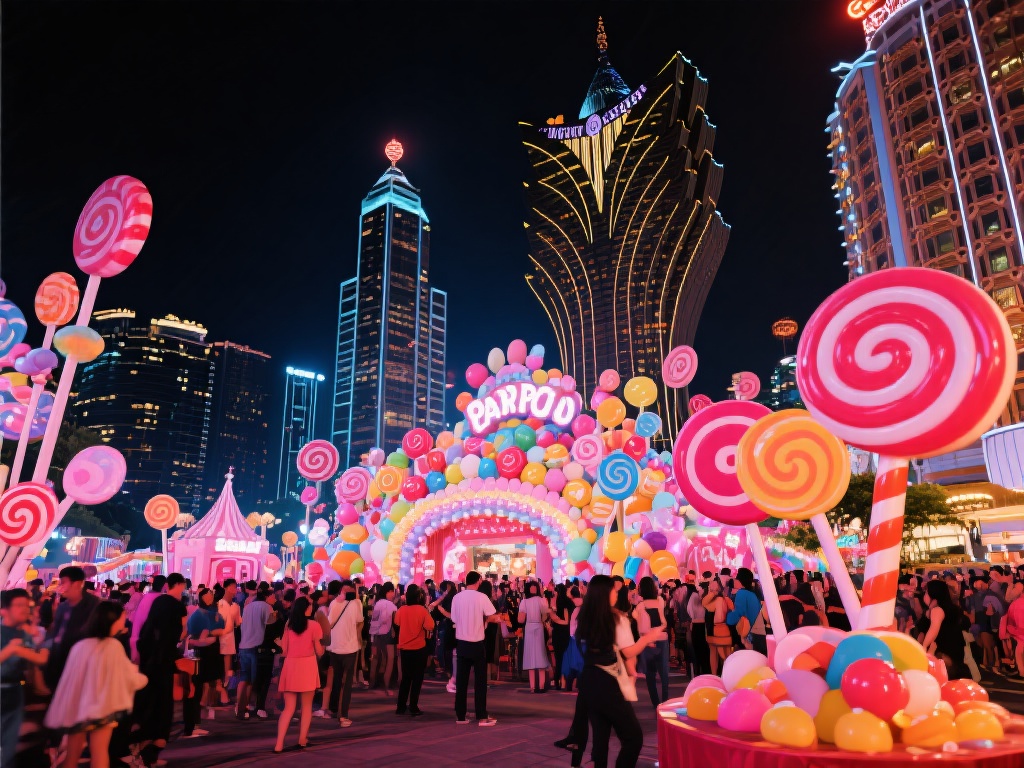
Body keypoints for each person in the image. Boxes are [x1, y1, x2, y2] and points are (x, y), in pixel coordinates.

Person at [574, 575, 668, 768]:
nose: (617, 593)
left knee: (600, 738)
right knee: (633, 737)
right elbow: (629, 651)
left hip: (589, 681)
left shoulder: (585, 617)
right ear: (605, 593)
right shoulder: (616, 617)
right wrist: (648, 637)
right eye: (614, 590)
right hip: (608, 682)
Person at [45, 601, 147, 768]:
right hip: (101, 708)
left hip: (76, 708)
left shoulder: (80, 645)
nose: (124, 621)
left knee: (72, 755)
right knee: (99, 753)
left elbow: (70, 679)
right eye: (122, 618)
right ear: (111, 621)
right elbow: (127, 677)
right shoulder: (112, 646)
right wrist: (143, 678)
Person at [134, 573, 188, 767]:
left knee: (147, 706)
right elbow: (181, 632)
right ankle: (151, 755)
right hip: (164, 664)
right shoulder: (177, 607)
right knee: (163, 709)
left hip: (147, 663)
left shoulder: (155, 603)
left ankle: (142, 753)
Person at [2, 589, 49, 768]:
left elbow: (34, 664)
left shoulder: (23, 634)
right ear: (4, 609)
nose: (25, 610)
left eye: (27, 606)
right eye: (19, 605)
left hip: (16, 691)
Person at [451, 571, 503, 726]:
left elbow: (454, 618)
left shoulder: (457, 597)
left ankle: (460, 715)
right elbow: (491, 614)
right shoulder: (481, 597)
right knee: (480, 682)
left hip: (461, 642)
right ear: (479, 581)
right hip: (477, 642)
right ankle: (481, 715)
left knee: (462, 681)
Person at [273, 596, 322, 752]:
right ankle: (302, 739)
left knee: (288, 708)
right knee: (306, 707)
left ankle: (279, 744)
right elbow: (319, 650)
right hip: (307, 665)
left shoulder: (289, 625)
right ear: (306, 609)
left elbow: (284, 651)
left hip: (291, 666)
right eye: (310, 606)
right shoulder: (314, 625)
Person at [44, 566, 101, 692]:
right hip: (59, 663)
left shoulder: (95, 606)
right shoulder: (63, 607)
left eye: (63, 582)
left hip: (81, 667)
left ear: (78, 584)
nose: (60, 586)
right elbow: (56, 633)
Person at [185, 588, 226, 736]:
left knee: (206, 683)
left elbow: (222, 629)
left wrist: (212, 633)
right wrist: (209, 634)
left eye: (211, 596)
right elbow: (196, 635)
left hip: (211, 650)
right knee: (199, 685)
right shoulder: (198, 614)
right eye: (206, 596)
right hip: (201, 652)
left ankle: (197, 720)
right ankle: (194, 723)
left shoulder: (213, 613)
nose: (209, 598)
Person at [235, 585, 277, 720]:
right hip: (256, 646)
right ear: (267, 597)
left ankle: (240, 707)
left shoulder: (247, 607)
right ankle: (250, 706)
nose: (274, 598)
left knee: (243, 679)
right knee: (254, 681)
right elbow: (271, 625)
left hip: (244, 645)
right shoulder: (267, 607)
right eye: (273, 596)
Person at [393, 583, 435, 716]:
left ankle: (400, 706)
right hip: (419, 647)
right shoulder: (422, 610)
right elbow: (430, 626)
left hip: (405, 648)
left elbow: (396, 625)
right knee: (417, 679)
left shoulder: (401, 610)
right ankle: (413, 706)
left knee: (406, 678)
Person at [326, 580, 363, 727]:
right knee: (346, 683)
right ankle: (343, 716)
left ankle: (334, 709)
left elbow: (329, 622)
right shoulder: (356, 604)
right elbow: (360, 620)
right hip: (349, 648)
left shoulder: (334, 603)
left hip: (334, 647)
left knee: (336, 679)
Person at [920, 580, 968, 680]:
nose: (924, 595)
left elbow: (934, 629)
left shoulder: (937, 610)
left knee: (941, 677)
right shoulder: (950, 608)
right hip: (955, 647)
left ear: (933, 594)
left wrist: (924, 647)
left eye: (926, 592)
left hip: (943, 649)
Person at [634, 577, 669, 707]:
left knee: (650, 675)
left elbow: (641, 626)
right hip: (662, 638)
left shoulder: (640, 606)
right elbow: (663, 621)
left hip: (648, 641)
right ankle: (665, 702)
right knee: (664, 673)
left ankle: (656, 704)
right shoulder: (660, 602)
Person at [519, 580, 550, 693]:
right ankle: (540, 686)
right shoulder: (541, 601)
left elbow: (520, 619)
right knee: (540, 655)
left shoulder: (524, 602)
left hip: (530, 627)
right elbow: (545, 615)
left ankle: (533, 687)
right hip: (538, 627)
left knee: (530, 656)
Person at [368, 582, 398, 695]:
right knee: (390, 659)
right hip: (388, 634)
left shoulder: (377, 604)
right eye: (392, 592)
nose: (393, 594)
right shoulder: (390, 605)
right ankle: (387, 686)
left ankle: (373, 683)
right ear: (389, 591)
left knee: (377, 659)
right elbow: (395, 620)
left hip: (376, 635)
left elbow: (374, 621)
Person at [216, 579, 241, 709]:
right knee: (222, 667)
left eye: (235, 587)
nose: (235, 589)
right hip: (220, 639)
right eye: (232, 586)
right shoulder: (219, 604)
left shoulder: (236, 606)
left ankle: (225, 693)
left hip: (230, 640)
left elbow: (238, 623)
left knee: (228, 668)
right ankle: (221, 693)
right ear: (226, 588)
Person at [702, 580, 733, 675]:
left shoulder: (718, 600)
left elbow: (705, 604)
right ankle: (725, 674)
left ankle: (718, 675)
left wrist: (711, 593)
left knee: (720, 654)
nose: (710, 587)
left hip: (717, 628)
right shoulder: (724, 599)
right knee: (724, 654)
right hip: (723, 628)